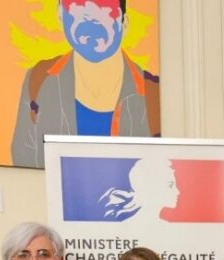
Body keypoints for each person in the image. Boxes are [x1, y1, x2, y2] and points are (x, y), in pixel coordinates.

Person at [11, 0, 160, 169]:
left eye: (103, 8)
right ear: (60, 16)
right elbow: (24, 159)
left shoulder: (154, 94)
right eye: (77, 8)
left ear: (123, 23)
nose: (89, 16)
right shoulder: (39, 79)